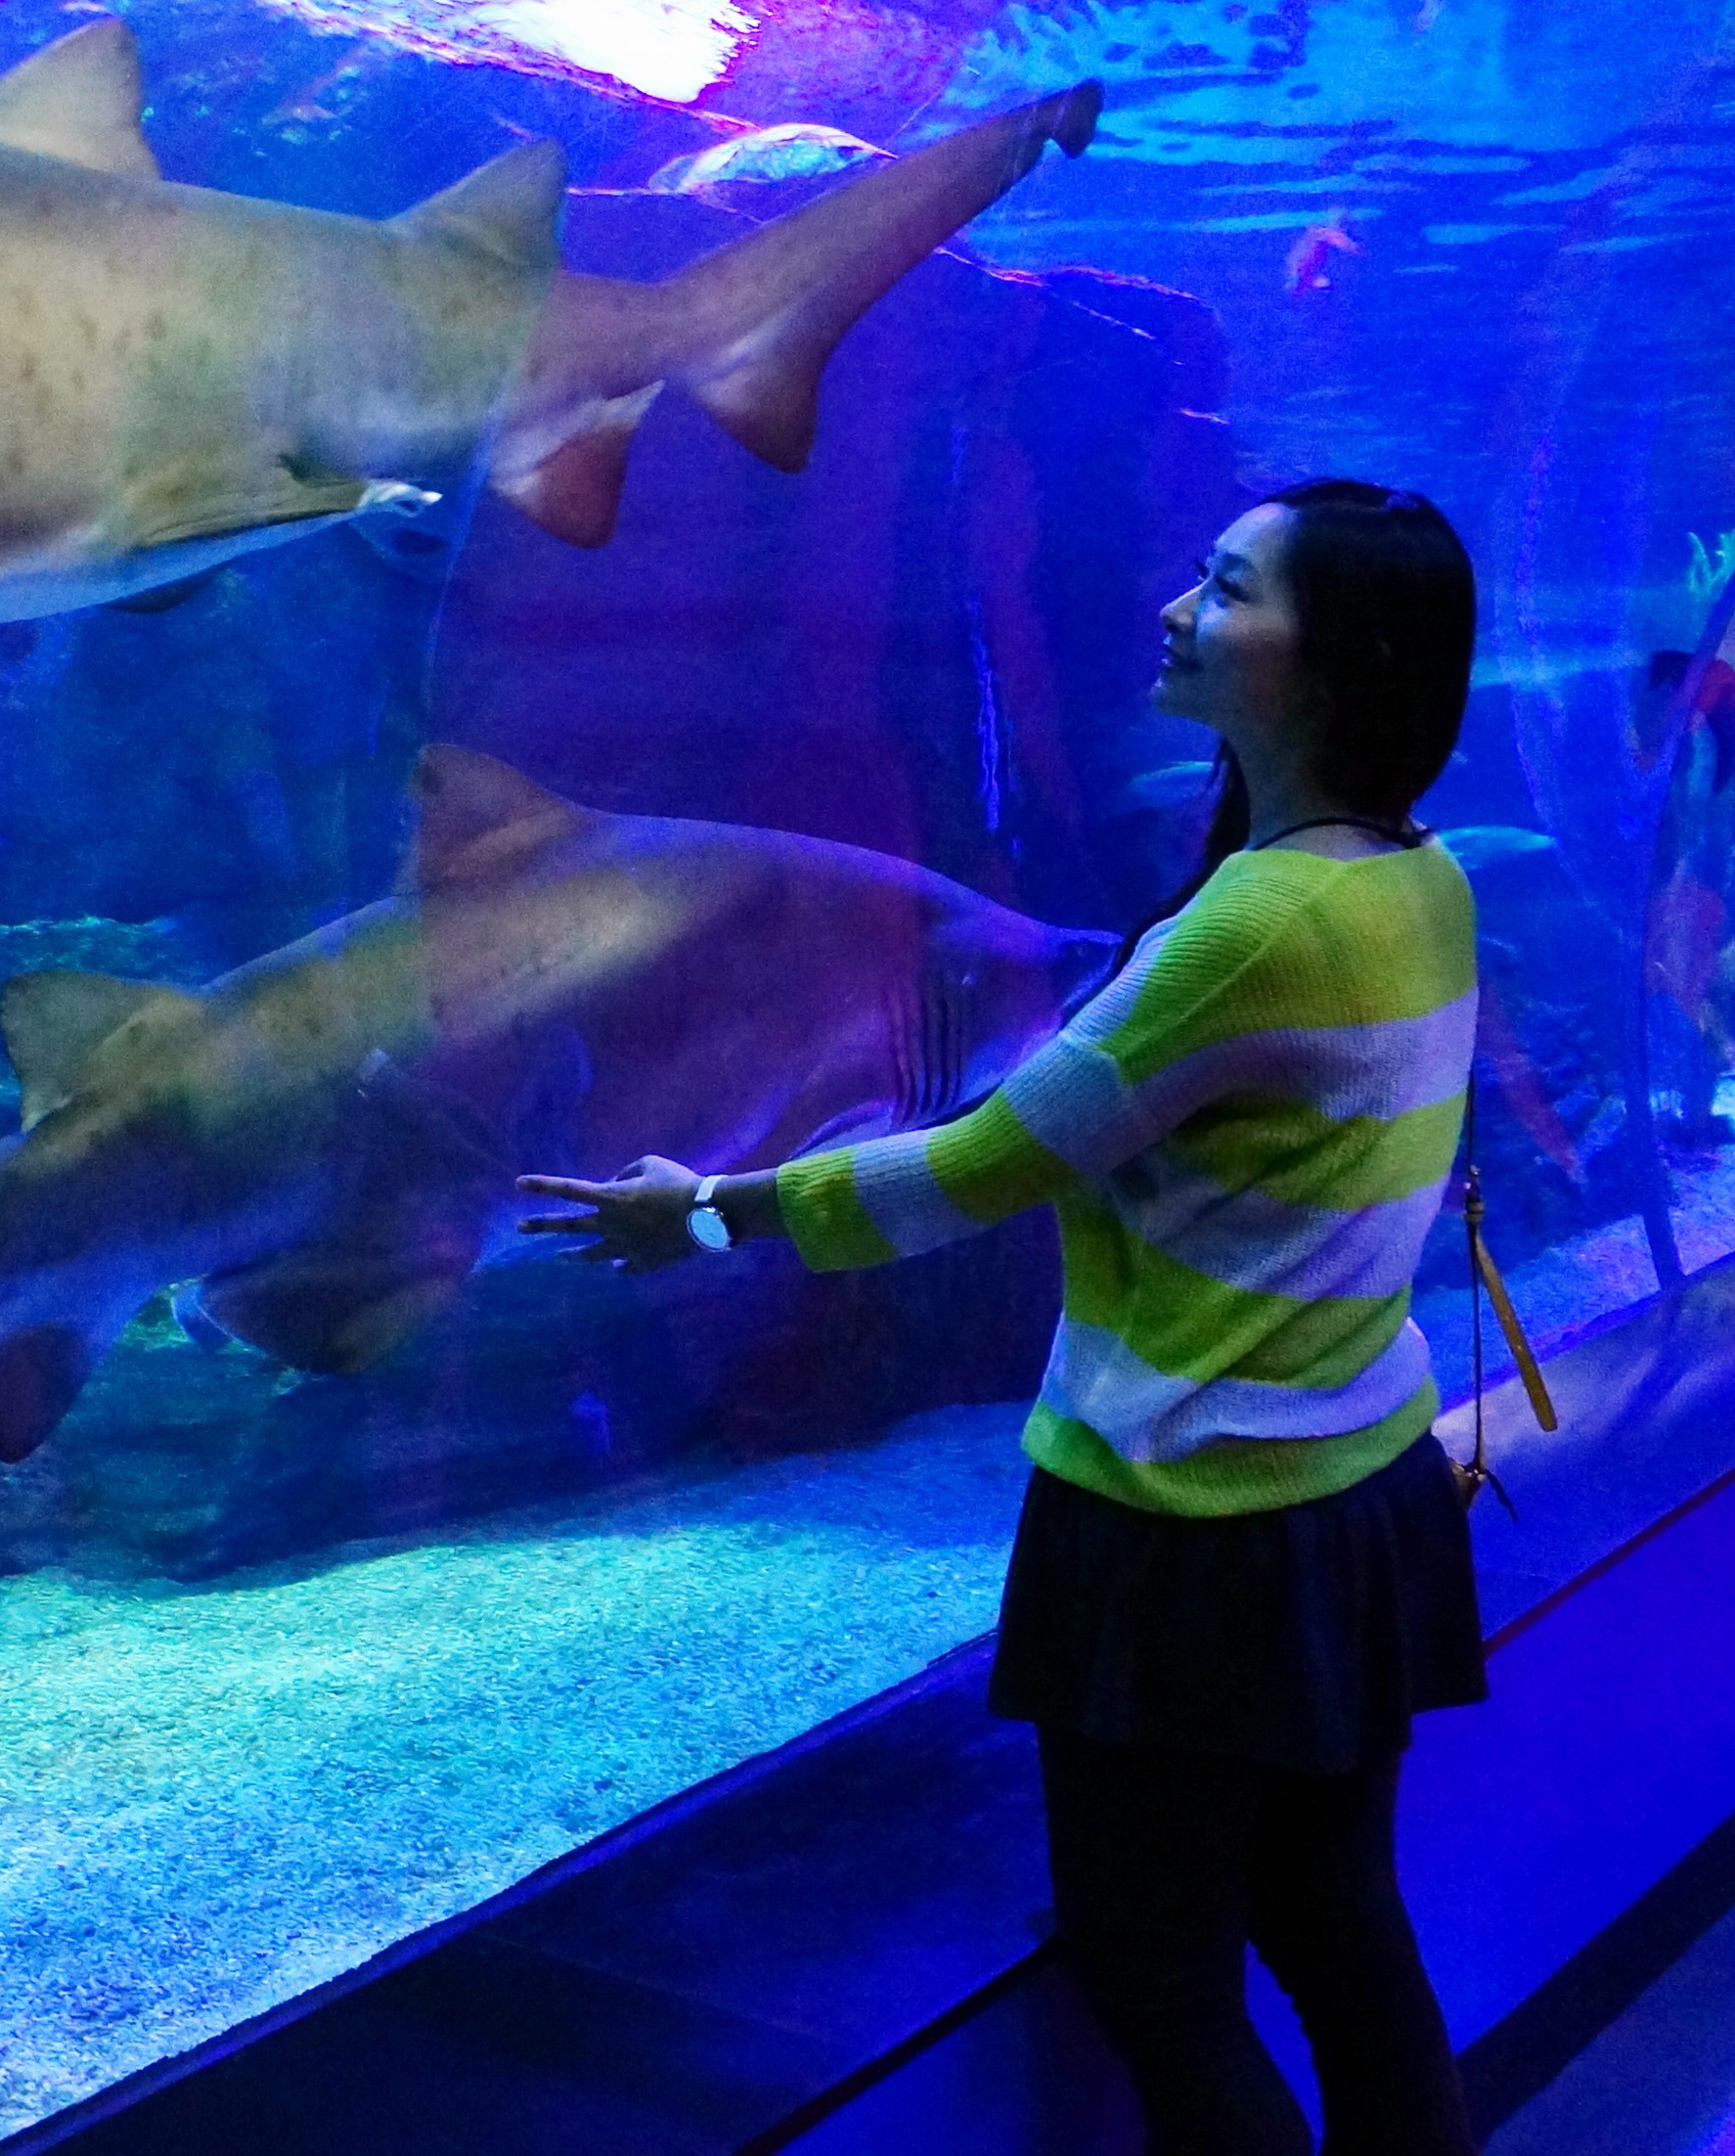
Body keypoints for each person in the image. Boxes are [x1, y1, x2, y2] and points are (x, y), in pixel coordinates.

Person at [520, 478, 1491, 2156]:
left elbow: (983, 1166)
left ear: (1339, 658)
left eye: (1226, 585)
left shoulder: (1254, 930)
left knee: (1160, 1975)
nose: (1176, 609)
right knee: (1341, 1926)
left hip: (1199, 1537)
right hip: (1360, 1496)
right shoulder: (1421, 874)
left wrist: (709, 1212)